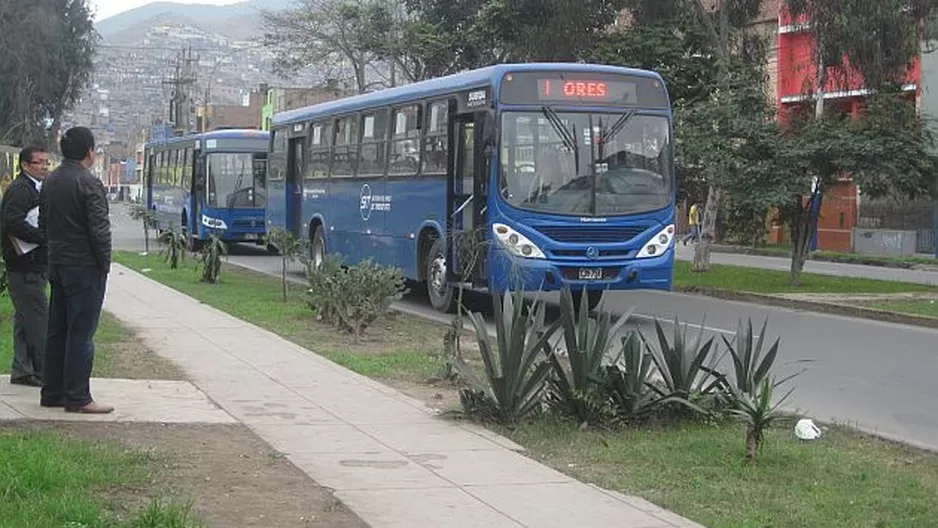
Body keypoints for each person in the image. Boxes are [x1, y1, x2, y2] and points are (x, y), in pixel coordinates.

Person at [39, 127, 114, 414]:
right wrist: (104, 263)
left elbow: (43, 224)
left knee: (57, 330)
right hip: (84, 266)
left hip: (57, 263)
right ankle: (79, 396)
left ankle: (52, 392)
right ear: (89, 152)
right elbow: (99, 230)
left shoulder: (51, 180)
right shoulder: (88, 183)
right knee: (81, 333)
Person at [1, 146, 50, 387]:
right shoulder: (20, 190)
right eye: (39, 162)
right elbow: (13, 223)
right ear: (25, 165)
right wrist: (42, 236)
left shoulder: (36, 188)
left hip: (34, 264)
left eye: (46, 162)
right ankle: (43, 372)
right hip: (24, 265)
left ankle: (23, 369)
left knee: (25, 319)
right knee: (38, 320)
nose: (44, 167)